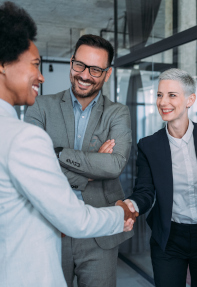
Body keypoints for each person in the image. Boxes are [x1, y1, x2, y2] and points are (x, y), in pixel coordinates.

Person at [0, 2, 136, 287]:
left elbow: (113, 166)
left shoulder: (117, 112)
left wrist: (57, 155)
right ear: (72, 61)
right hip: (52, 227)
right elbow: (38, 173)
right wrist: (89, 166)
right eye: (79, 65)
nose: (85, 75)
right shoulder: (41, 106)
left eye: (96, 70)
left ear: (108, 73)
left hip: (99, 240)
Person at [124, 68, 197, 287]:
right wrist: (130, 205)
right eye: (160, 95)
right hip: (169, 237)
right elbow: (145, 191)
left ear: (190, 100)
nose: (163, 102)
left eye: (172, 95)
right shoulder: (149, 145)